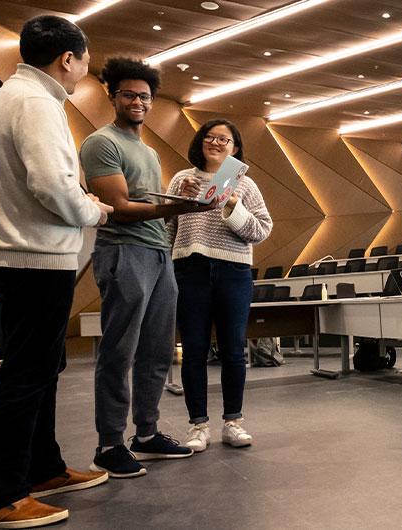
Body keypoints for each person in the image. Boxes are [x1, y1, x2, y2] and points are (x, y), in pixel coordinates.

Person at [0, 15, 114, 529]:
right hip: (32, 255)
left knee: (41, 369)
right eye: (86, 62)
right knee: (26, 375)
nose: (85, 72)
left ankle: (42, 468)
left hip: (21, 252)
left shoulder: (18, 95)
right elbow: (52, 184)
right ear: (68, 59)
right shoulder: (36, 102)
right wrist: (93, 209)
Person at [80, 58, 212, 478]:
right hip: (123, 252)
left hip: (158, 253)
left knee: (157, 351)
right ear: (112, 95)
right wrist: (175, 206)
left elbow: (148, 203)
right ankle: (109, 444)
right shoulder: (102, 143)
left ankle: (147, 434)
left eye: (144, 96)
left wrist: (181, 197)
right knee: (120, 351)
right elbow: (118, 208)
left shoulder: (150, 151)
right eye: (129, 94)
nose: (137, 102)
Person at [166, 119, 272, 452]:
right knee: (194, 350)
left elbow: (260, 230)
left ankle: (233, 422)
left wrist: (231, 205)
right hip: (189, 269)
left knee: (232, 350)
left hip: (233, 271)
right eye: (209, 137)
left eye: (224, 139)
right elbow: (167, 227)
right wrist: (179, 204)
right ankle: (198, 426)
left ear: (235, 148)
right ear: (199, 143)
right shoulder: (182, 179)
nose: (215, 143)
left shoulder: (246, 184)